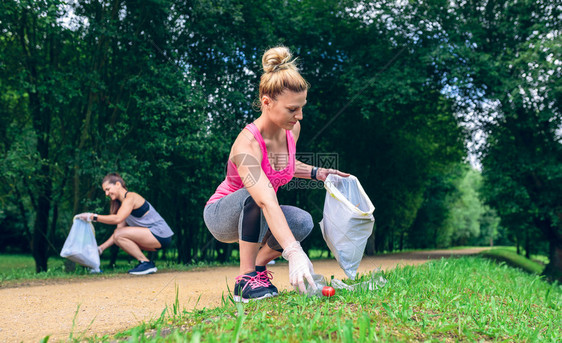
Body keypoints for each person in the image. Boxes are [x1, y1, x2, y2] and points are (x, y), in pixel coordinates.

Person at [203, 46, 348, 302]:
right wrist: (294, 252)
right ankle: (245, 279)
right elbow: (264, 199)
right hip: (222, 215)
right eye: (293, 109)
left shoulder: (292, 130)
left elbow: (282, 163)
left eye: (301, 107)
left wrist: (318, 172)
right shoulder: (245, 145)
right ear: (267, 102)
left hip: (258, 212)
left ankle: (259, 268)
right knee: (256, 196)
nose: (299, 115)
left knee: (302, 221)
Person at [77, 173, 174, 275]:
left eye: (108, 189)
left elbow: (117, 219)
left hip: (160, 234)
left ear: (118, 184)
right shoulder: (122, 206)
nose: (106, 194)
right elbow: (117, 235)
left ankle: (146, 263)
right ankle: (145, 263)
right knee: (118, 234)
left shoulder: (131, 198)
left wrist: (92, 217)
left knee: (119, 234)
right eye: (105, 191)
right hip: (154, 238)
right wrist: (101, 249)